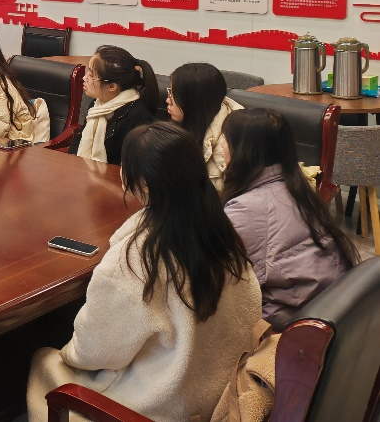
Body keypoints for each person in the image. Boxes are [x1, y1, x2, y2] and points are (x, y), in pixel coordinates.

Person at [28, 122, 261, 422]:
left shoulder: (136, 258)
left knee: (45, 361)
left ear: (146, 185)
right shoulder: (221, 233)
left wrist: (68, 353)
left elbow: (92, 353)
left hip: (161, 406)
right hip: (219, 391)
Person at [221, 108, 357, 330]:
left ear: (243, 150)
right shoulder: (296, 186)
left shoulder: (245, 209)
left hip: (293, 323)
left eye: (225, 140)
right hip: (329, 306)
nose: (221, 145)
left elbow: (221, 277)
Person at [69, 45, 158, 164]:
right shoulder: (97, 104)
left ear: (112, 87)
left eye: (91, 75)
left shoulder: (138, 117)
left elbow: (132, 164)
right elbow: (79, 140)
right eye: (87, 72)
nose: (84, 78)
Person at [167, 62, 242, 189]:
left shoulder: (228, 147)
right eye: (170, 92)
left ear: (193, 101)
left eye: (173, 94)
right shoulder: (183, 124)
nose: (168, 100)